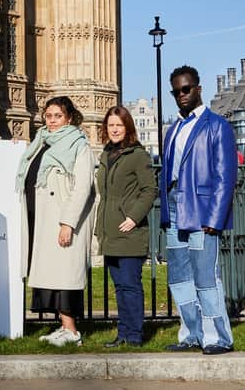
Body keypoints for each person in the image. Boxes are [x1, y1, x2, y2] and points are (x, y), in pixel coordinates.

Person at [161, 65, 237, 355]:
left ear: (198, 89)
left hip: (202, 211)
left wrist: (215, 219)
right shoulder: (174, 129)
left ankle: (219, 338)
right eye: (176, 91)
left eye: (186, 89)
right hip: (174, 208)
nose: (181, 95)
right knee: (179, 278)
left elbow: (225, 176)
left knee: (206, 276)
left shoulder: (217, 125)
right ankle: (191, 334)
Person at [16, 96, 96, 347]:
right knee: (53, 277)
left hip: (62, 219)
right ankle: (63, 327)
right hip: (42, 218)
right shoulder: (41, 142)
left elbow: (83, 186)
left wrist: (68, 223)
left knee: (66, 278)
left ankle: (71, 331)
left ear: (69, 118)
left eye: (58, 116)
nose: (52, 121)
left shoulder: (78, 144)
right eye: (48, 116)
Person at [95, 106, 157, 348]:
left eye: (119, 125)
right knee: (120, 286)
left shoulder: (137, 155)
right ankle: (123, 333)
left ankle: (134, 335)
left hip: (129, 230)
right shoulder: (107, 154)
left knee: (130, 284)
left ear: (128, 127)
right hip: (110, 230)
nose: (114, 129)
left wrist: (133, 217)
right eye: (111, 125)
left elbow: (149, 189)